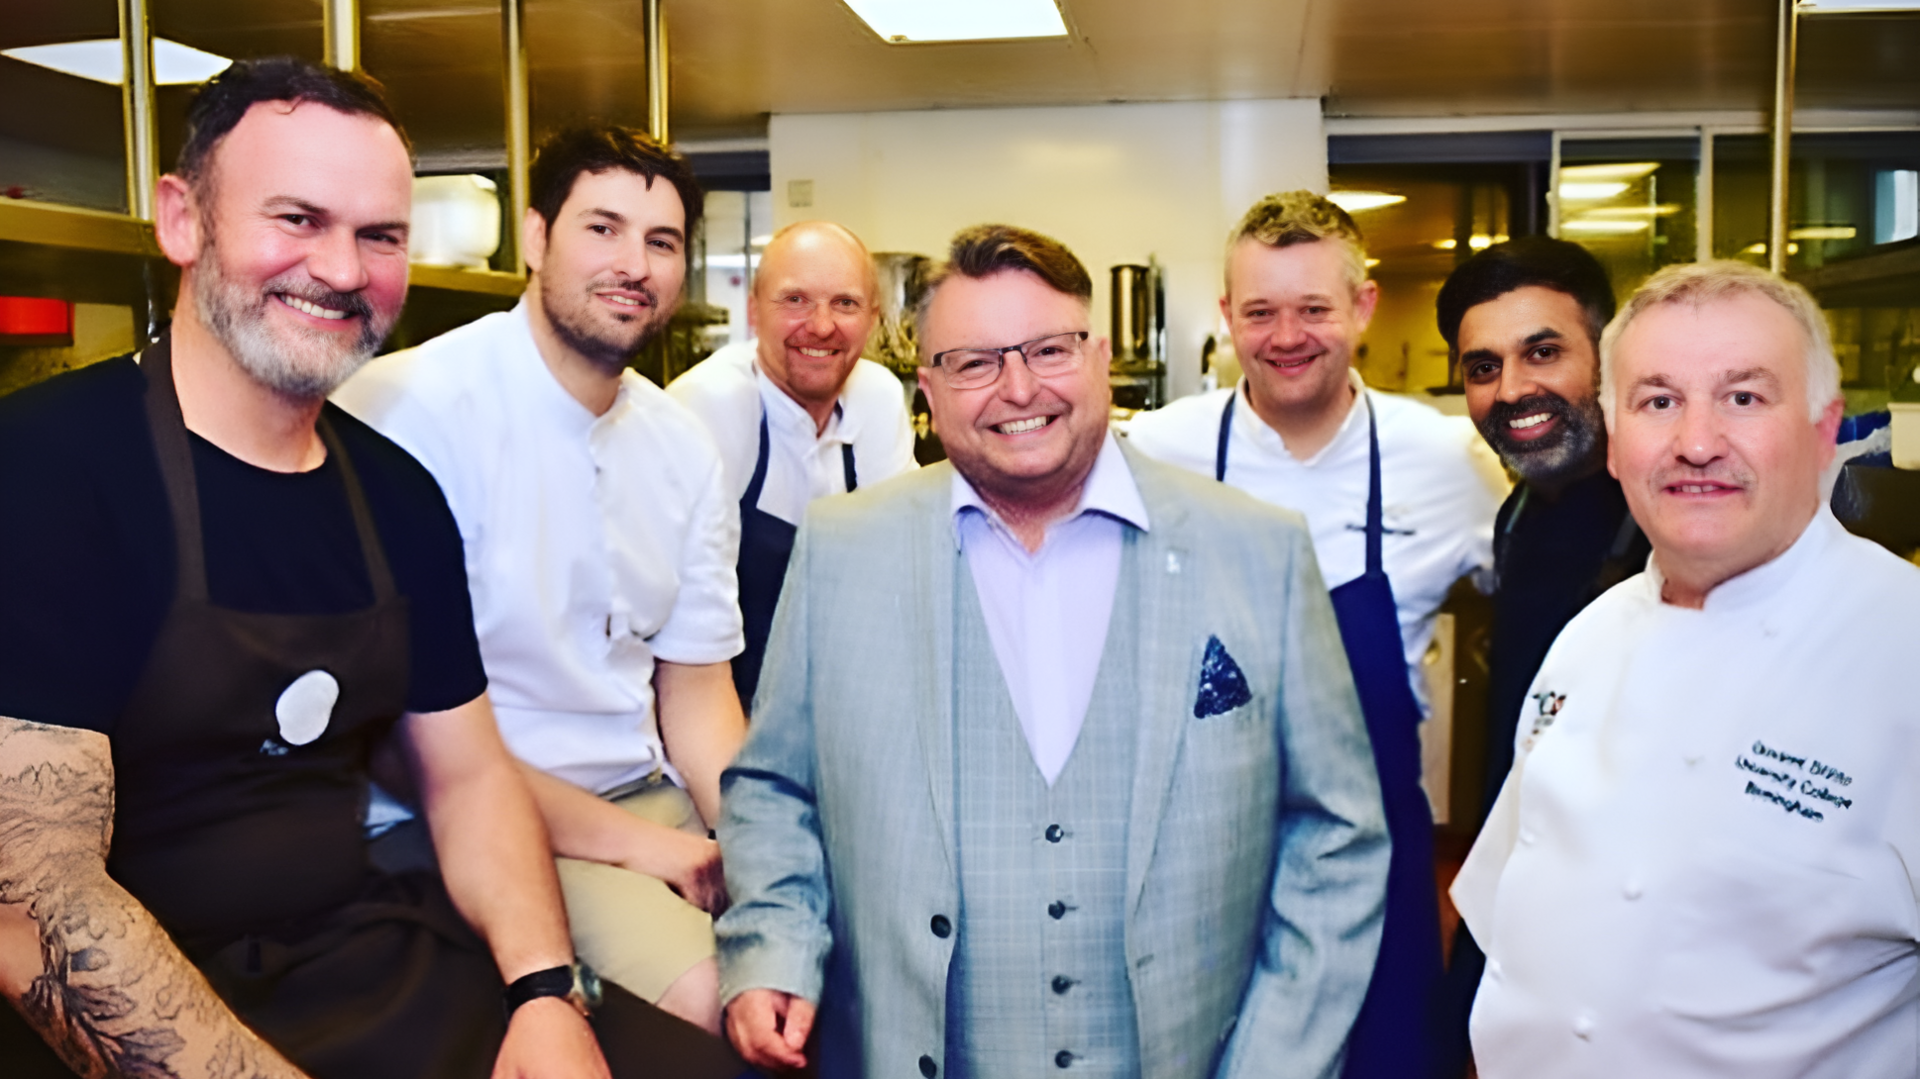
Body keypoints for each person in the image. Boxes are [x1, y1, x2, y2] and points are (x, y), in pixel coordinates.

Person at [0, 59, 744, 1079]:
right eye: (297, 218)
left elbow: (470, 777)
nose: (342, 269)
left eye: (378, 235)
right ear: (182, 221)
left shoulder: (393, 490)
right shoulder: (45, 466)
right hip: (120, 996)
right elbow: (37, 900)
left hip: (358, 949)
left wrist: (543, 991)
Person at [715, 223, 1389, 1079]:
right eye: (974, 361)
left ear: (1100, 354)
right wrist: (772, 945)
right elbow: (774, 786)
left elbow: (1335, 837)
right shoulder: (844, 551)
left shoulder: (1258, 551)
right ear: (927, 385)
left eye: (1048, 349)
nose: (1018, 387)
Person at [1452, 261, 1920, 1077]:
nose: (1696, 441)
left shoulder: (1901, 648)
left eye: (1744, 396)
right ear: (1613, 440)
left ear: (1823, 430)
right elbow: (1510, 918)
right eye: (1658, 401)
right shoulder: (1587, 638)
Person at [335, 126, 746, 1037]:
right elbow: (398, 739)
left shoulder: (682, 444)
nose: (632, 263)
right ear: (533, 236)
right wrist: (663, 852)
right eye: (601, 227)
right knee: (728, 1006)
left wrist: (758, 846)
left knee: (834, 961)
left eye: (661, 241)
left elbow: (699, 696)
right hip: (474, 815)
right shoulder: (402, 414)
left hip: (649, 799)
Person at [1125, 190, 1504, 1077]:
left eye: (1313, 309)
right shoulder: (1160, 449)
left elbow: (1544, 592)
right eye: (1260, 311)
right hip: (1200, 847)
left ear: (1363, 306)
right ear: (1227, 317)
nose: (1286, 335)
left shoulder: (1444, 457)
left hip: (1378, 842)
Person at [1427, 237, 1651, 1077]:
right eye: (1483, 366)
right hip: (1513, 864)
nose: (1513, 388)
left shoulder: (1664, 515)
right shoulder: (1519, 510)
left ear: (1606, 356)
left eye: (1544, 351)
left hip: (1624, 918)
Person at [666, 220, 915, 708]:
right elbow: (673, 633)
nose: (821, 325)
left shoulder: (879, 396)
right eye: (795, 300)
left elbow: (898, 575)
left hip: (847, 704)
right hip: (723, 708)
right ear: (755, 311)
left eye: (845, 303)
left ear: (873, 317)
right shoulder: (707, 407)